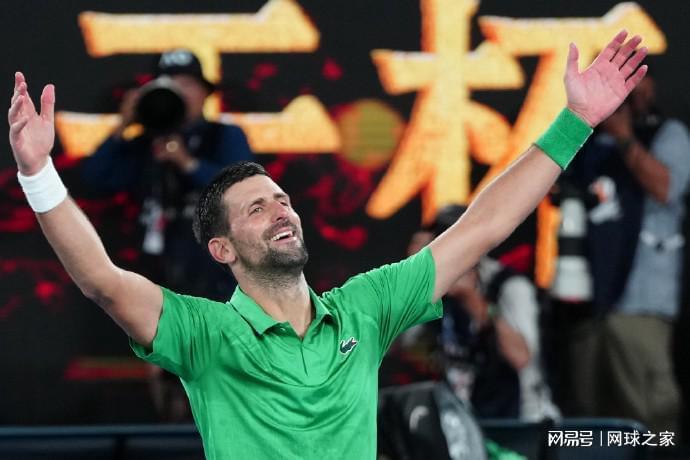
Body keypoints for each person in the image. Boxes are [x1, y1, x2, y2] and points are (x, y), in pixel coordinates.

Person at [8, 31, 646, 459]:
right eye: (256, 208)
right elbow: (101, 280)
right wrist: (37, 173)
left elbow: (482, 226)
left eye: (282, 199)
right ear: (223, 250)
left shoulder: (364, 307)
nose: (281, 210)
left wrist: (576, 123)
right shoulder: (203, 333)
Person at [563, 73, 690, 433]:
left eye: (637, 82)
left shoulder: (667, 134)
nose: (629, 93)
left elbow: (665, 188)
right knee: (592, 418)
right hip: (589, 300)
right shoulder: (588, 142)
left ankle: (661, 457)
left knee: (652, 413)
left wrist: (622, 134)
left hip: (641, 302)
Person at [82, 49, 253, 301]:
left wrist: (187, 163)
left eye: (187, 84)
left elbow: (244, 190)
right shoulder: (145, 145)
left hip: (216, 278)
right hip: (154, 280)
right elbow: (94, 179)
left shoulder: (224, 136)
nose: (179, 93)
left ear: (205, 93)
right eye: (170, 85)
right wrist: (124, 124)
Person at [432, 205, 561, 422]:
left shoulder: (509, 287)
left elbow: (522, 359)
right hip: (464, 418)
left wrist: (473, 301)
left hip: (521, 419)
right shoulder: (437, 287)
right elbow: (406, 349)